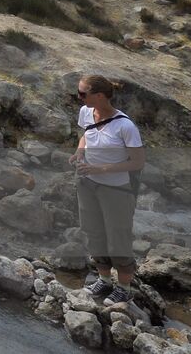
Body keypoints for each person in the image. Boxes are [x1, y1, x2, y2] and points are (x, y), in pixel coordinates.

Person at [70, 74, 145, 308]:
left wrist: (100, 168)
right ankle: (103, 279)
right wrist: (79, 153)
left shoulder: (125, 126)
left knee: (118, 237)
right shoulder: (86, 113)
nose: (78, 97)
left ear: (100, 96)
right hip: (87, 183)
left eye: (83, 93)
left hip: (115, 189)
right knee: (93, 232)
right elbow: (85, 136)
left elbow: (137, 162)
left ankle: (123, 288)